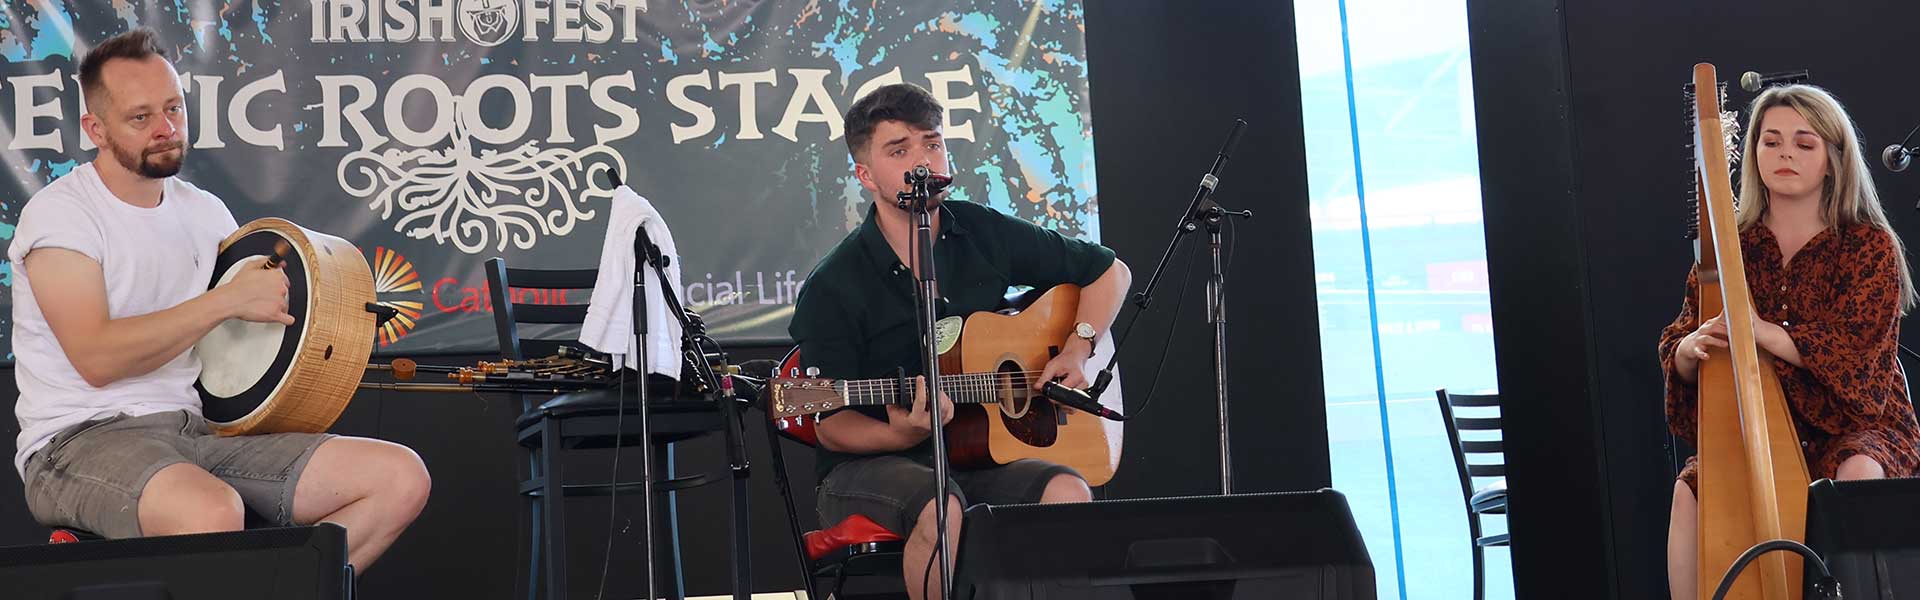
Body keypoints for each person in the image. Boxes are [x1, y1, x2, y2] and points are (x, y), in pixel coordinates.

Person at [10, 28, 430, 570]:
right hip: (77, 442)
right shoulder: (60, 214)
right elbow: (97, 357)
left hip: (198, 431)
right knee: (210, 512)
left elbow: (239, 346)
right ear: (95, 128)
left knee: (398, 478)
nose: (166, 129)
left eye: (174, 109)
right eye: (141, 118)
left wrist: (324, 323)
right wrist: (226, 300)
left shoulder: (206, 213)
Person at [787, 83, 1132, 600]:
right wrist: (898, 436)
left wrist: (1078, 347)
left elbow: (1111, 271)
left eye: (932, 143)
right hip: (868, 470)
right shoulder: (835, 284)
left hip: (976, 454)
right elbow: (832, 425)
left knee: (1066, 491)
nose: (922, 159)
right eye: (899, 150)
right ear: (865, 175)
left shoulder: (978, 230)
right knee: (938, 503)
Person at [1659, 84, 1920, 599]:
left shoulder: (1869, 246)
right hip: (1760, 426)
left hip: (1857, 425)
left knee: (1857, 469)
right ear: (1752, 153)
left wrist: (1765, 334)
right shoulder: (1731, 252)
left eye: (1804, 143)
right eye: (1771, 141)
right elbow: (1680, 334)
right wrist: (1688, 352)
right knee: (1691, 489)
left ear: (1832, 159)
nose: (1785, 154)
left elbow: (1862, 365)